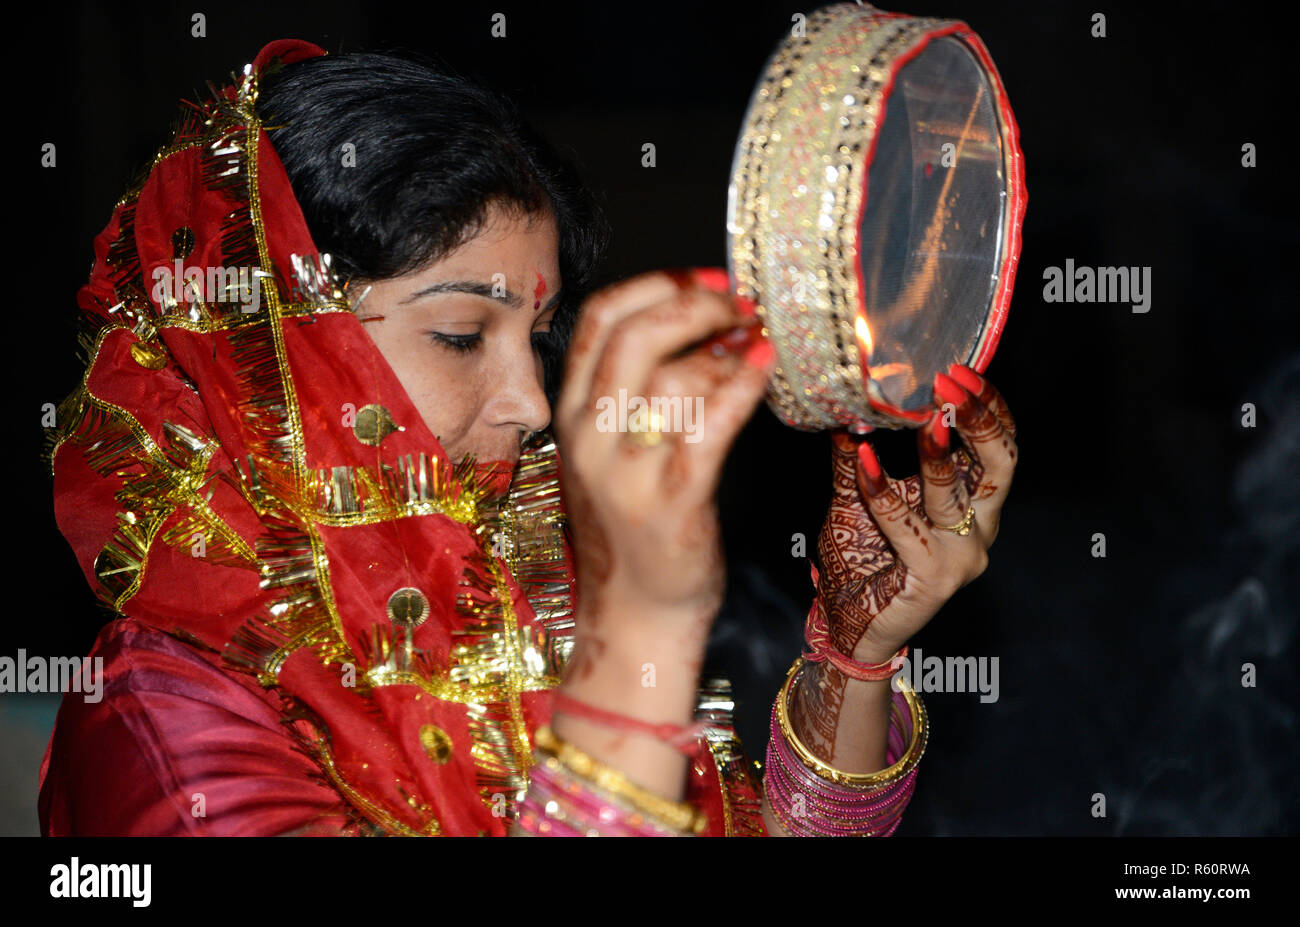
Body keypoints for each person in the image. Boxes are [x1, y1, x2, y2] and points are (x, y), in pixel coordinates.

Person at [38, 39, 1017, 836]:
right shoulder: (162, 715)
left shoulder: (512, 613)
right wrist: (641, 625)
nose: (532, 404)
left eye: (538, 339)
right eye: (462, 335)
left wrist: (853, 657)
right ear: (272, 352)